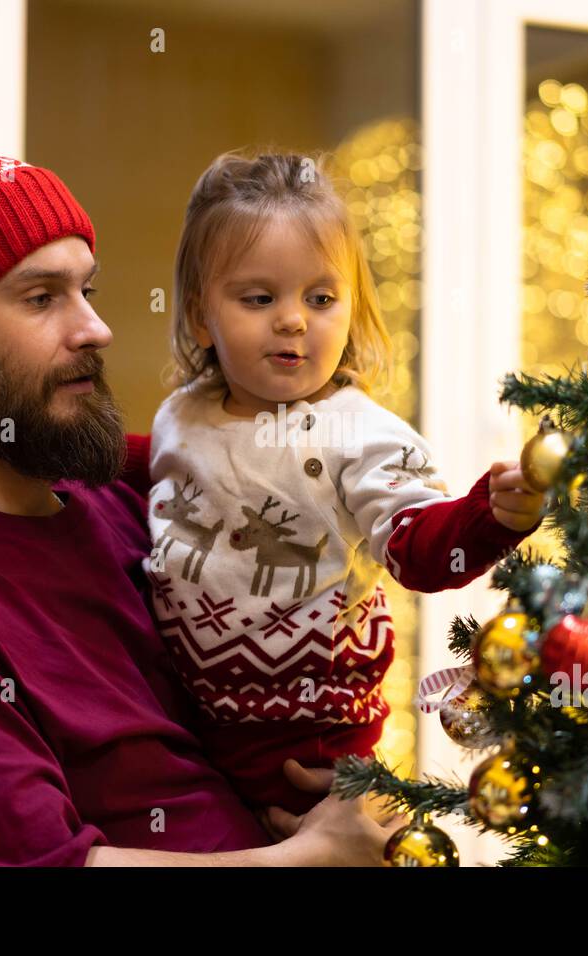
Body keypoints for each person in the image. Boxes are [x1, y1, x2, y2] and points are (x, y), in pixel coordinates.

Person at [0, 102, 398, 865]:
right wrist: (307, 858)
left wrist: (335, 776)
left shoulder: (125, 501)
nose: (94, 327)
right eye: (42, 297)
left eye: (88, 289)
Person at [139, 151, 547, 814]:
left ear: (351, 309)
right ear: (196, 316)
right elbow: (146, 467)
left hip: (313, 751)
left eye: (320, 298)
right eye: (259, 298)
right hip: (190, 729)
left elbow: (419, 549)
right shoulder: (182, 414)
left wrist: (492, 515)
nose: (294, 319)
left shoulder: (359, 435)